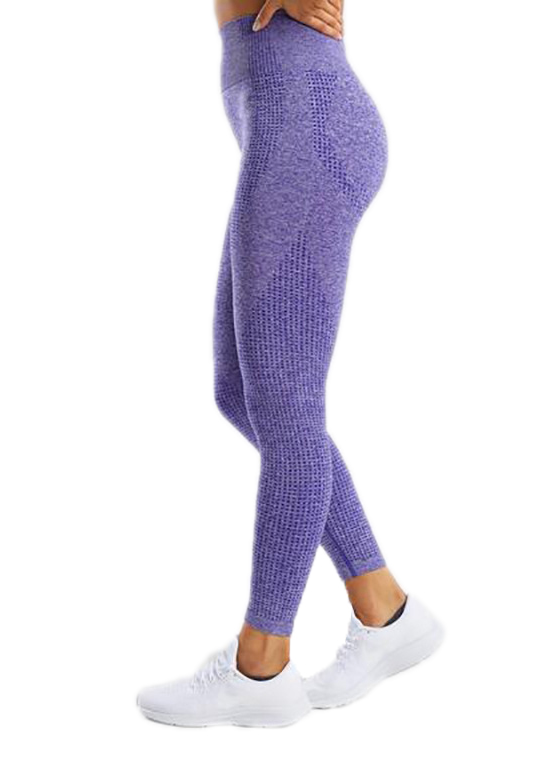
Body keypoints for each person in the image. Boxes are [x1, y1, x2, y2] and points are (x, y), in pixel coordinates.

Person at [137, 0, 443, 727]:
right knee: (242, 393)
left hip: (304, 120)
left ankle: (262, 662)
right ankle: (385, 608)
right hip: (286, 116)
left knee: (286, 404)